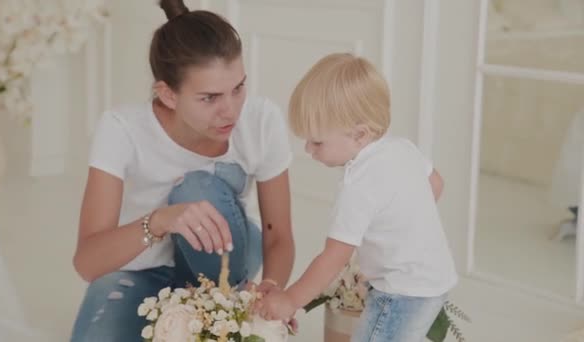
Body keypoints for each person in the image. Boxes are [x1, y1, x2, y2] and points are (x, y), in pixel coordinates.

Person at [70, 1, 295, 341]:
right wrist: (160, 220)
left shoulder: (261, 120)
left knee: (196, 190)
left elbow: (278, 236)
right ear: (168, 94)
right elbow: (87, 262)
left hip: (224, 264)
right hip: (145, 270)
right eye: (209, 97)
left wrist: (272, 290)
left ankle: (217, 309)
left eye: (238, 88)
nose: (230, 111)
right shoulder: (122, 129)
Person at [257, 53, 457, 342]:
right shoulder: (403, 148)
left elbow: (333, 258)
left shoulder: (358, 183)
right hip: (434, 282)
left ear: (359, 134)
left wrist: (290, 300)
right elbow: (436, 184)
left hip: (400, 292)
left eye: (317, 141)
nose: (309, 150)